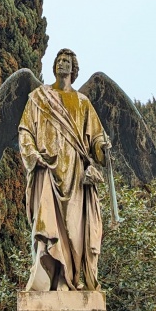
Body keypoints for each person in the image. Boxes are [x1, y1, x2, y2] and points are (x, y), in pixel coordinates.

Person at [17, 49, 111, 291]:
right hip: (47, 170)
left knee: (75, 231)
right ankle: (53, 278)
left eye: (67, 61)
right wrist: (33, 155)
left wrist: (102, 146)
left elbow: (96, 138)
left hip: (76, 176)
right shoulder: (38, 98)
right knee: (48, 226)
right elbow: (25, 130)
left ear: (74, 69)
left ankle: (72, 279)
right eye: (59, 61)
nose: (62, 64)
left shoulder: (82, 103)